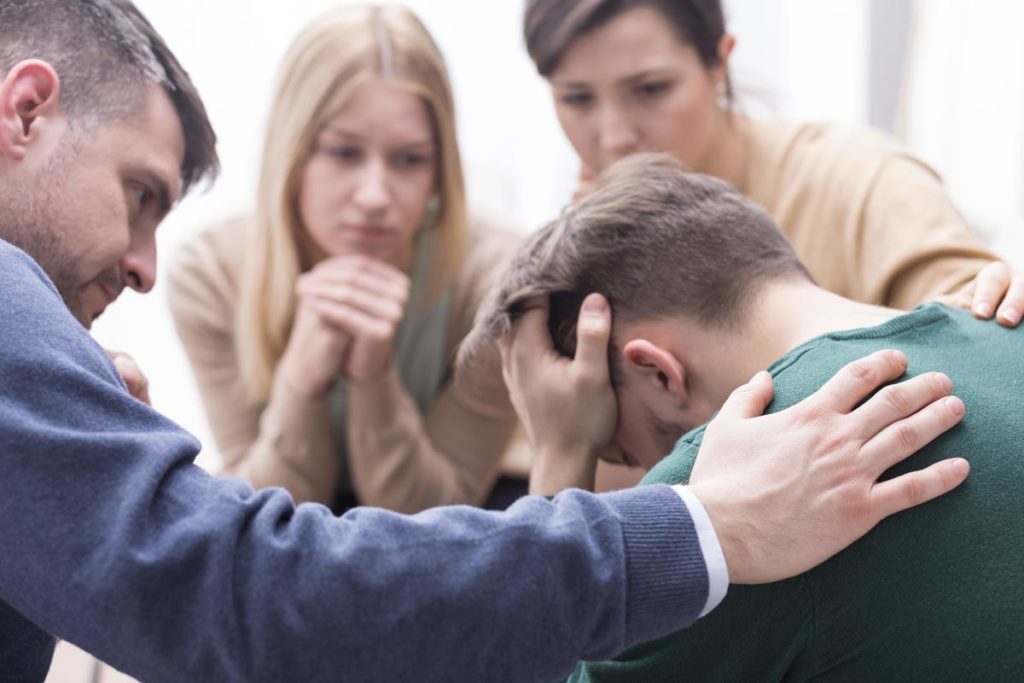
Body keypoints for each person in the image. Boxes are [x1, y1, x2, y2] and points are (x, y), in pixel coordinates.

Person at [0, 1, 970, 680]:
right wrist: (703, 521)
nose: (144, 267)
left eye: (409, 159)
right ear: (25, 110)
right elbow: (233, 583)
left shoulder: (504, 280)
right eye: (139, 196)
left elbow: (247, 568)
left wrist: (77, 473)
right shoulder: (185, 275)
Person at [467, 155, 1023, 680]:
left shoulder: (740, 492)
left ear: (659, 373)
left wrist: (559, 454)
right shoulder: (1005, 320)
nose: (644, 475)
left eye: (624, 453)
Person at [166, 4, 524, 514]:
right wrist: (301, 380)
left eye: (409, 159)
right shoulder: (210, 272)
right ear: (291, 152)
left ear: (441, 169)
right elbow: (255, 522)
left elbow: (438, 516)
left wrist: (374, 377)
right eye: (343, 152)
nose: (375, 195)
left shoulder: (499, 278)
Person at [522, 0, 1024, 324]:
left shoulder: (859, 178)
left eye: (651, 89)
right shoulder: (571, 252)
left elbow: (979, 320)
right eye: (577, 99)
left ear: (720, 61)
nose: (614, 137)